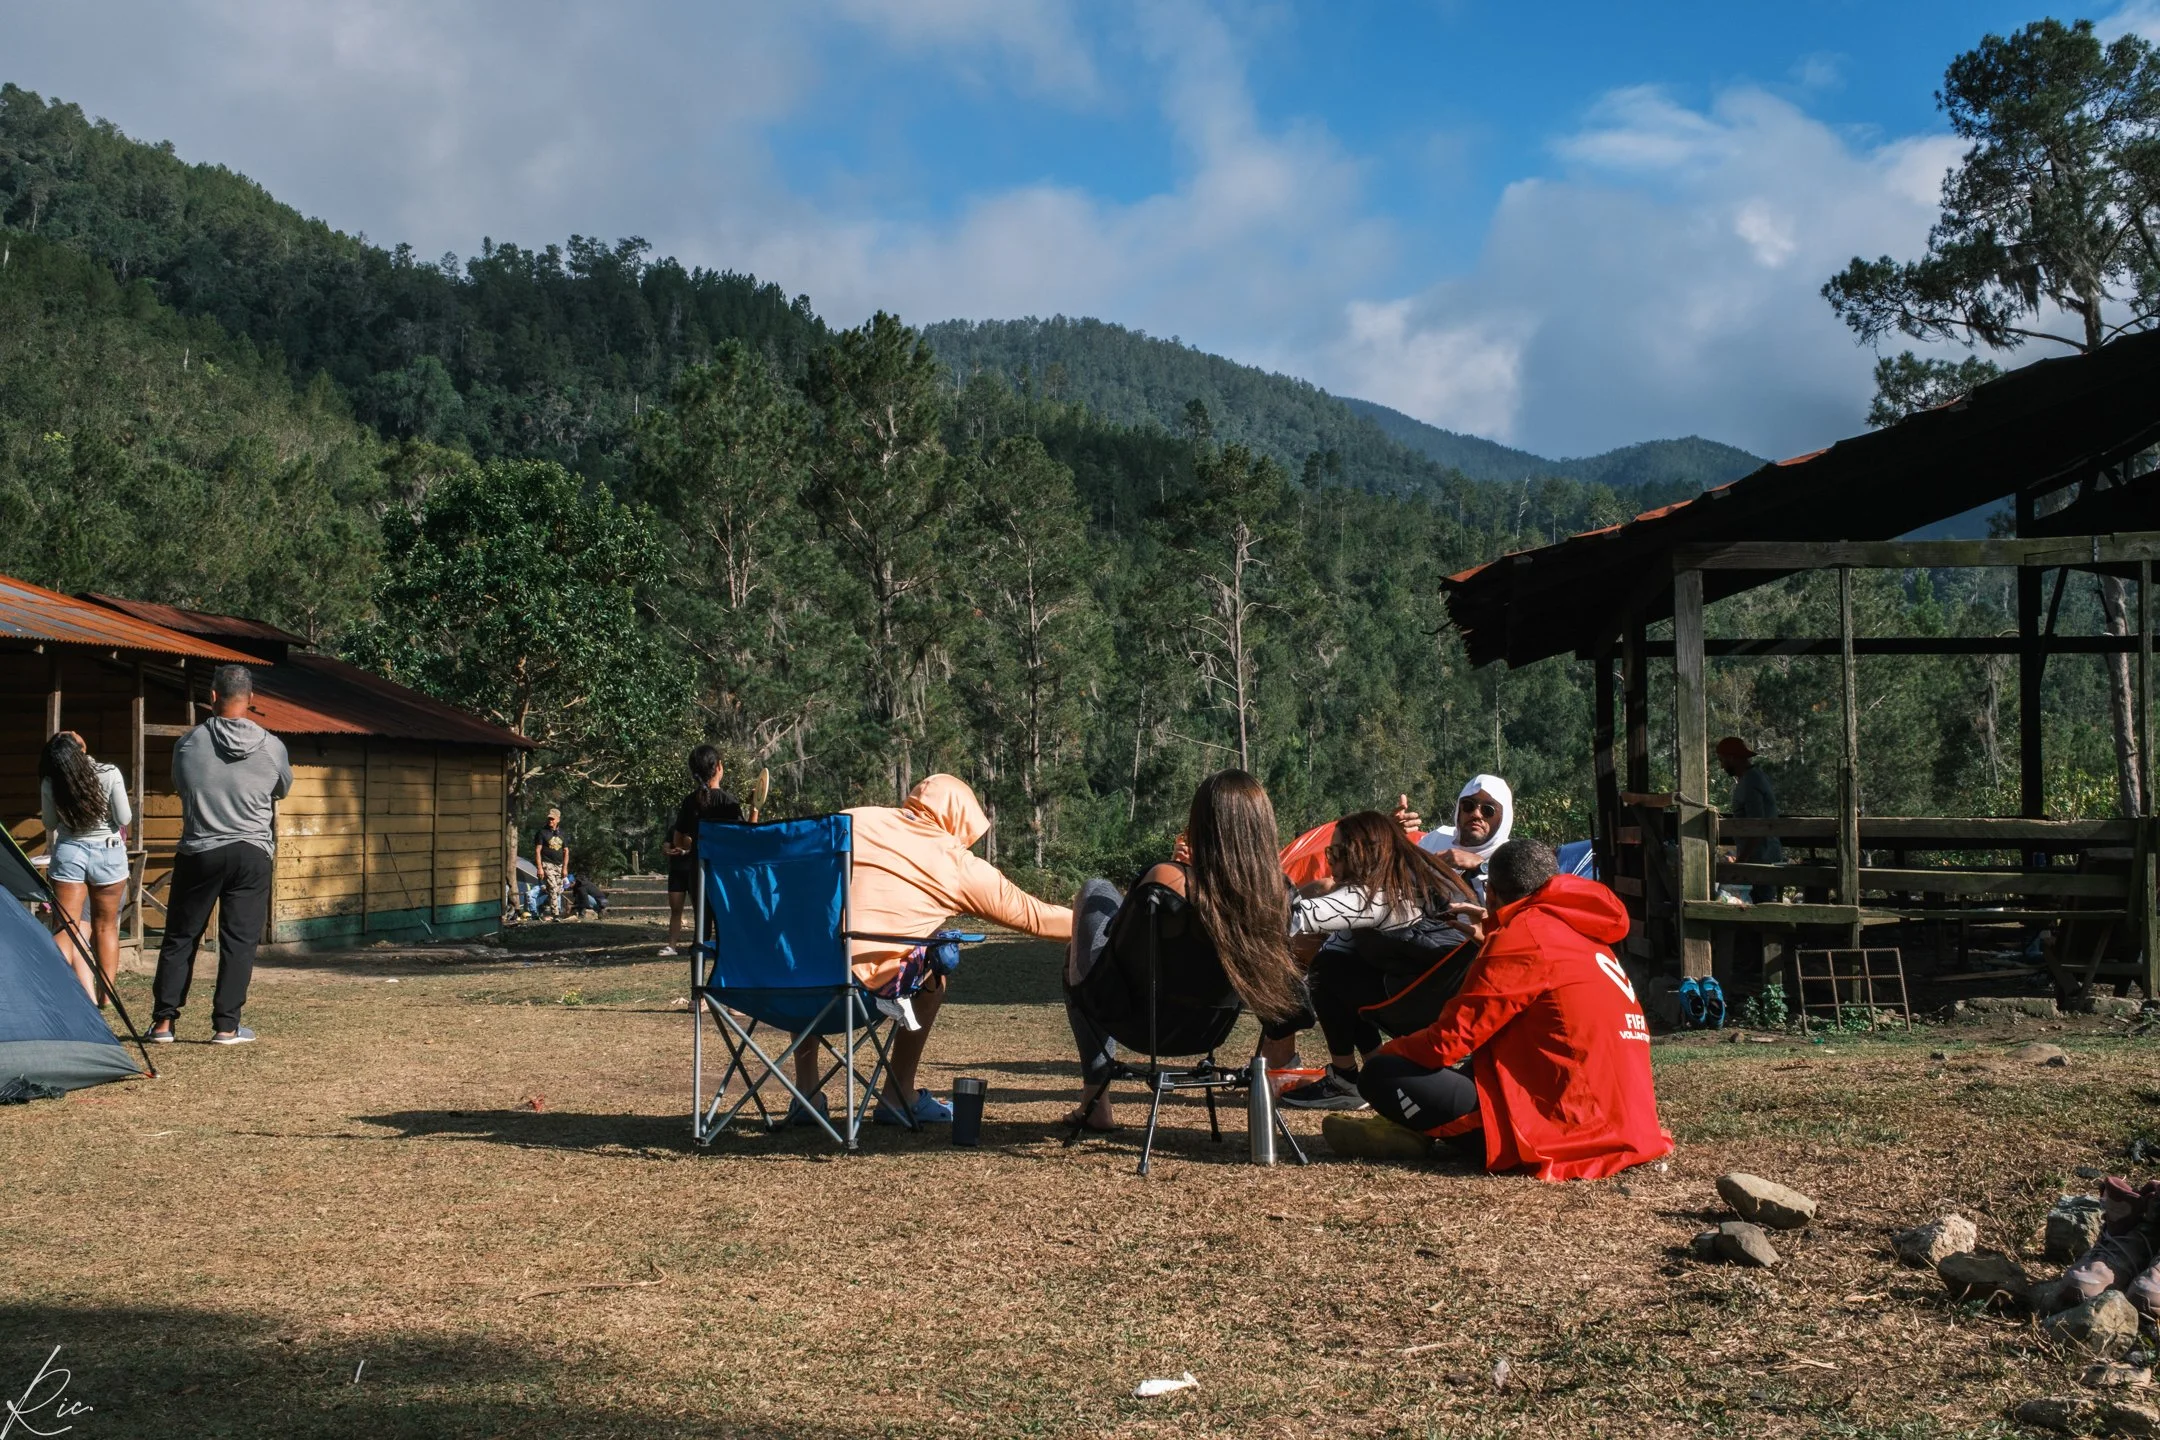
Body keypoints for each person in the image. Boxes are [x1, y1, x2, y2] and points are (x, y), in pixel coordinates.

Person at [1328, 838, 1672, 1180]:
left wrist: (1390, 1054)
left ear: (1490, 893)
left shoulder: (1524, 935)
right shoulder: (1581, 929)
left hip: (1576, 1128)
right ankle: (1415, 1128)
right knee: (1474, 1066)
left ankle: (1420, 1130)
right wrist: (1495, 928)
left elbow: (1450, 1040)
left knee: (1381, 1075)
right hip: (1630, 1121)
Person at [792, 774, 1073, 1127]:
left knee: (812, 945)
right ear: (959, 820)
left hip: (781, 984)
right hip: (860, 995)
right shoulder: (953, 861)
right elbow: (1035, 916)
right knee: (934, 968)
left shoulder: (849, 820)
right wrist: (1111, 923)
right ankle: (899, 1095)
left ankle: (805, 1092)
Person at [1064, 770, 1310, 1132]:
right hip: (1208, 1031)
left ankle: (1095, 1100)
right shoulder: (1277, 896)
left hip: (1132, 1019)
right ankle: (1094, 1101)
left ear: (1202, 824)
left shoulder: (1165, 879)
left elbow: (1117, 941)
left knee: (1095, 891)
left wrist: (1182, 870)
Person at [1274, 811, 1481, 1111]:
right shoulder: (1420, 871)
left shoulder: (1376, 897)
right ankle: (1371, 1068)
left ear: (1359, 854)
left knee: (1329, 967)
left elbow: (1296, 918)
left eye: (1335, 852)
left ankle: (1347, 1079)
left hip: (1421, 1006)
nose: (1330, 861)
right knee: (1342, 955)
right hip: (1450, 997)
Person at [148, 665, 292, 1046]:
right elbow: (281, 789)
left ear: (212, 696)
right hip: (251, 852)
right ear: (251, 701)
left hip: (201, 850)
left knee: (181, 935)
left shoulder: (189, 743)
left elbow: (182, 785)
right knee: (239, 941)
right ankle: (226, 1027)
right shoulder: (272, 745)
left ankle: (164, 1023)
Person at [39, 731, 133, 1004]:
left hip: (69, 851)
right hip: (108, 851)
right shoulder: (109, 772)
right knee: (106, 926)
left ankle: (57, 993)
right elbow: (124, 817)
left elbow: (49, 823)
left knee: (65, 928)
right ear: (79, 748)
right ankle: (106, 994)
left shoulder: (52, 780)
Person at [660, 746, 742, 957]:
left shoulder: (689, 801)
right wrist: (754, 810)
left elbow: (679, 839)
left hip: (698, 872)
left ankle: (699, 977)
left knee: (702, 928)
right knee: (728, 922)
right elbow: (744, 838)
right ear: (719, 767)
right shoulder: (728, 801)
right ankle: (727, 972)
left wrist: (691, 844)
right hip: (726, 872)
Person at [1408, 774, 1514, 903]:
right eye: (1468, 805)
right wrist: (1389, 832)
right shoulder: (1435, 839)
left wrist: (1481, 866)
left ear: (1503, 818)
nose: (1476, 813)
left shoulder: (1511, 859)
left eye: (1488, 810)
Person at [1718, 737, 1783, 902]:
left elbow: (1757, 825)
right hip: (1760, 856)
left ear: (1732, 758)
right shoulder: (1753, 778)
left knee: (1764, 905)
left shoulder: (1750, 782)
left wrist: (1742, 861)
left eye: (1722, 760)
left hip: (1761, 858)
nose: (1721, 766)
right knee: (1759, 903)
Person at [534, 807, 570, 920]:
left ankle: (544, 906)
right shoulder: (542, 832)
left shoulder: (563, 833)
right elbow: (537, 850)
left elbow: (566, 851)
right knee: (553, 888)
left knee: (558, 890)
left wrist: (565, 868)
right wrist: (539, 868)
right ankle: (556, 914)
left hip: (559, 865)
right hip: (547, 863)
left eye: (553, 819)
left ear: (558, 819)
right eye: (549, 819)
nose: (550, 821)